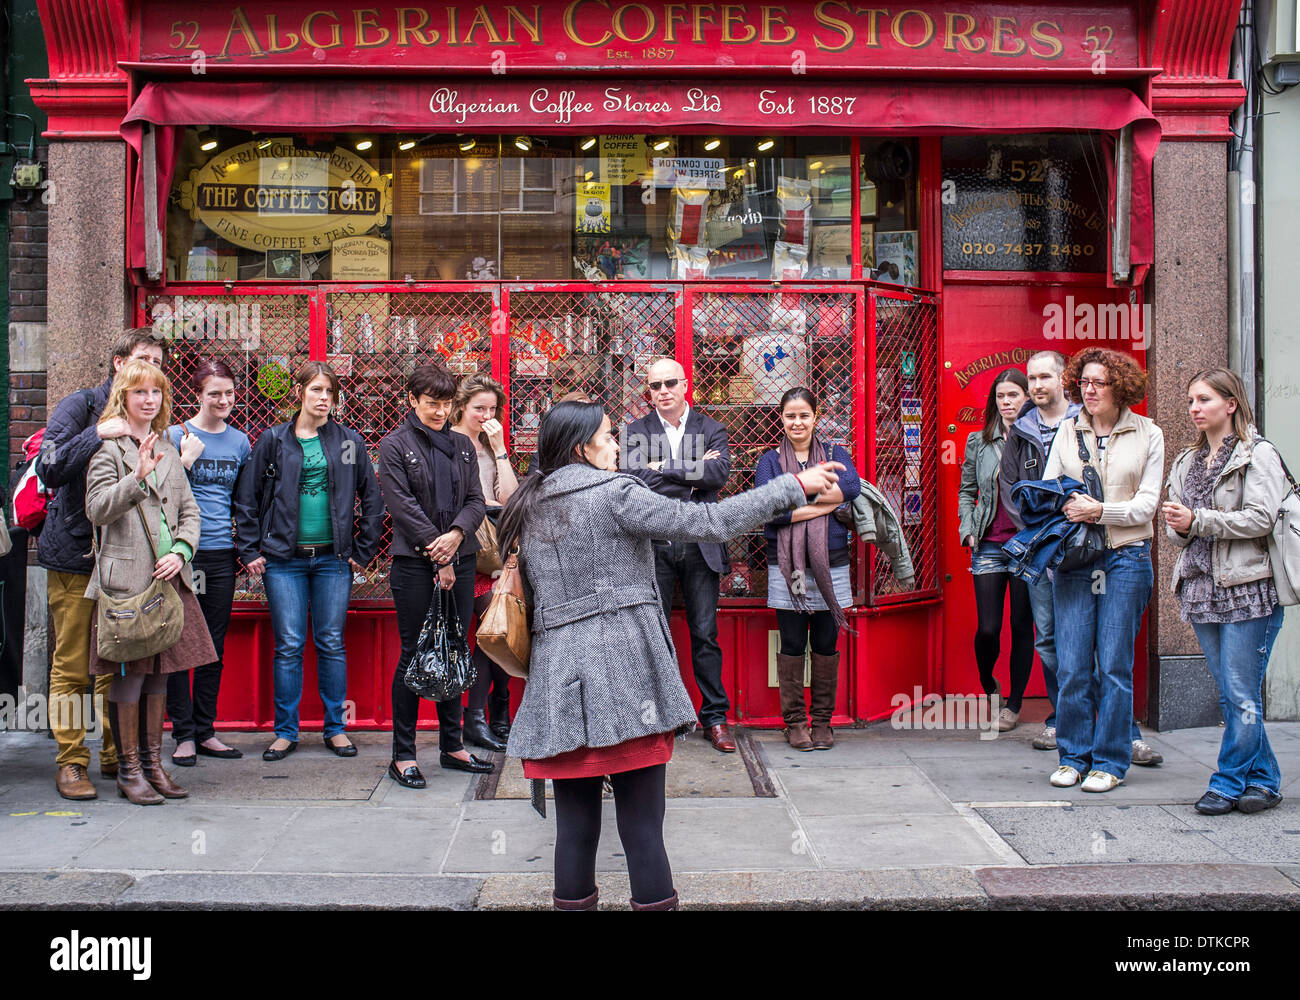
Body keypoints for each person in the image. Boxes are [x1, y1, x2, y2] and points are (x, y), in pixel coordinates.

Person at [499, 400, 843, 910]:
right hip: (627, 676)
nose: (618, 446)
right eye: (609, 436)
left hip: (557, 682)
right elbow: (709, 521)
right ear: (581, 448)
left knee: (573, 832)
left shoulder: (528, 503)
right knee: (642, 829)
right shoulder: (614, 495)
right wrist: (793, 486)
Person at [1004, 351, 1163, 764]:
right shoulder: (1068, 431)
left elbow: (1146, 507)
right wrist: (1070, 503)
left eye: (1100, 383)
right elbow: (1048, 488)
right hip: (1075, 558)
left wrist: (1100, 511)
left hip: (1126, 557)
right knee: (1072, 664)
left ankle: (1111, 758)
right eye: (1085, 383)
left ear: (1121, 387)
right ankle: (1073, 757)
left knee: (1113, 666)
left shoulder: (1148, 433)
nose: (1088, 391)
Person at [233, 362, 383, 762]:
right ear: (299, 392)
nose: (323, 398)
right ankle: (286, 731)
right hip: (283, 560)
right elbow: (246, 498)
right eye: (316, 389)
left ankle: (336, 729)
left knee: (331, 643)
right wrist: (250, 551)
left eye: (329, 392)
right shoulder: (273, 440)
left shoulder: (348, 441)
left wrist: (362, 552)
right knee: (289, 646)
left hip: (334, 561)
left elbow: (372, 498)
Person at [38, 328, 163, 799]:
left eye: (158, 362)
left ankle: (118, 754)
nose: (151, 369)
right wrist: (96, 435)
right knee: (72, 665)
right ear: (118, 363)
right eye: (142, 359)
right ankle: (71, 762)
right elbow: (49, 466)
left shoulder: (151, 416)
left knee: (119, 662)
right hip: (75, 556)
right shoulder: (82, 407)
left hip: (129, 564)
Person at [84, 360, 216, 805]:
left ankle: (155, 766)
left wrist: (181, 551)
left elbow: (191, 513)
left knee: (161, 673)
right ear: (123, 397)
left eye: (155, 393)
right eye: (140, 392)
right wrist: (136, 478)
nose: (148, 400)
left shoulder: (166, 447)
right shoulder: (109, 451)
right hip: (127, 585)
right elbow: (97, 510)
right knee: (130, 675)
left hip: (168, 580)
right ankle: (129, 771)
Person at [1163, 368, 1287, 815]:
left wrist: (1199, 521)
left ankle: (1227, 781)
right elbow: (1182, 535)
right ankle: (1266, 779)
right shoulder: (1186, 461)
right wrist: (1179, 525)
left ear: (1230, 404)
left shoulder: (1258, 455)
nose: (1194, 408)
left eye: (1204, 400)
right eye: (1191, 400)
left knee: (1240, 694)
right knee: (1234, 694)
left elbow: (1260, 518)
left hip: (1247, 588)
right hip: (1200, 589)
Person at [378, 364, 490, 788]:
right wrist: (438, 552)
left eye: (446, 403)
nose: (440, 411)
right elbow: (401, 505)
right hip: (414, 563)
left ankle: (452, 745)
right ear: (412, 400)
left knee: (455, 648)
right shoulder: (394, 445)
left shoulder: (462, 445)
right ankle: (403, 755)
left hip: (460, 558)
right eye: (432, 403)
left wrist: (458, 535)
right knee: (414, 651)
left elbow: (477, 500)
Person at [623, 358, 737, 753]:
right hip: (653, 543)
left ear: (685, 384)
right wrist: (690, 473)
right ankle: (662, 719)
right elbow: (637, 480)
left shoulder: (710, 427)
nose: (663, 391)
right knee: (653, 635)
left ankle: (716, 718)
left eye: (670, 383)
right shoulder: (636, 431)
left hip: (699, 543)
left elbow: (719, 475)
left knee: (705, 634)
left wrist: (665, 467)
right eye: (655, 386)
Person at [756, 387, 862, 750]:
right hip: (788, 568)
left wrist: (796, 501)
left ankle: (822, 722)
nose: (797, 422)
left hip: (830, 562)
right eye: (790, 416)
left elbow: (852, 487)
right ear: (781, 420)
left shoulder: (835, 452)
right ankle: (795, 722)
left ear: (815, 417)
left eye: (804, 415)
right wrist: (823, 504)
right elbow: (770, 511)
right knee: (792, 642)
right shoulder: (769, 461)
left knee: (826, 642)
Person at [164, 360, 251, 766]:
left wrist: (247, 549)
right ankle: (182, 733)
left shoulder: (240, 442)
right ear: (198, 394)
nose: (223, 400)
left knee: (213, 645)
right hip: (181, 552)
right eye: (214, 393)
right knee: (181, 641)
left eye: (229, 393)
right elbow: (155, 495)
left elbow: (243, 502)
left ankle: (206, 730)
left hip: (220, 552)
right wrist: (183, 460)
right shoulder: (174, 435)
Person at [959, 370, 1033, 732]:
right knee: (988, 628)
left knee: (1021, 624)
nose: (1006, 402)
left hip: (1026, 544)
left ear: (1027, 397)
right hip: (989, 542)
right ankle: (990, 685)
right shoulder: (979, 441)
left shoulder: (1038, 438)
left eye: (1013, 395)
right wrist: (968, 528)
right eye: (1001, 396)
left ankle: (1014, 704)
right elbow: (966, 491)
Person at [451, 372, 519, 753]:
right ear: (461, 407)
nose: (486, 415)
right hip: (469, 546)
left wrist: (500, 448)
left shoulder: (493, 446)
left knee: (503, 627)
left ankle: (497, 715)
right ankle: (477, 717)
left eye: (492, 409)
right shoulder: (452, 443)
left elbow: (509, 498)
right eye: (479, 408)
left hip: (500, 544)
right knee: (491, 634)